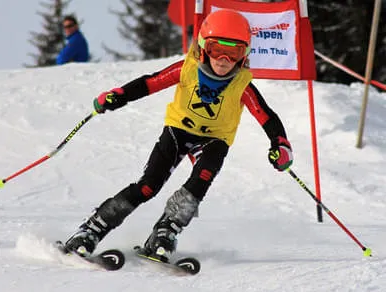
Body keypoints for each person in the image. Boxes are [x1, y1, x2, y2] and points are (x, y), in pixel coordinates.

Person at [63, 9, 293, 262]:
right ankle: (91, 229)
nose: (224, 59)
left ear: (244, 54)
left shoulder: (242, 84)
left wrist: (280, 145)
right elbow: (150, 83)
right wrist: (118, 95)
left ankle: (166, 230)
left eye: (235, 52)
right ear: (204, 47)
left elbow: (266, 116)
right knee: (148, 186)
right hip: (178, 132)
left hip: (214, 140)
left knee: (198, 184)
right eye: (217, 49)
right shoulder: (187, 69)